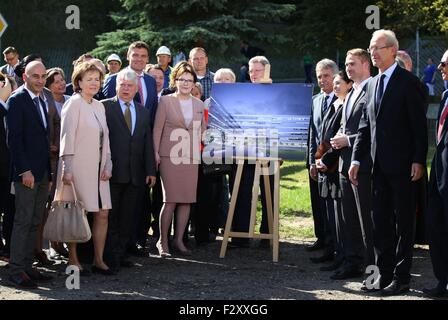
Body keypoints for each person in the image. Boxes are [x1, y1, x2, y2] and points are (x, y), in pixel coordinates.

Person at [349, 29, 428, 295]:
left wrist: (418, 159)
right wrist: (357, 160)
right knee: (379, 222)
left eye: (378, 48)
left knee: (403, 223)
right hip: (376, 168)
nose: (373, 52)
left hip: (404, 167)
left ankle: (402, 277)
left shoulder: (409, 82)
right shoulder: (371, 84)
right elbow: (364, 127)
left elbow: (419, 126)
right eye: (370, 48)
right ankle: (381, 275)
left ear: (393, 50)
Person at [55, 61, 113, 275]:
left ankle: (98, 259)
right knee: (78, 212)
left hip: (99, 169)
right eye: (89, 79)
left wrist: (108, 162)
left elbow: (105, 138)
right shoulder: (74, 103)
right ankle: (73, 259)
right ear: (78, 82)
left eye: (97, 79)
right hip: (78, 166)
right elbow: (66, 137)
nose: (94, 83)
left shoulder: (99, 105)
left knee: (103, 213)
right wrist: (67, 168)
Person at [103, 69, 156, 273]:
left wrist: (151, 170)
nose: (125, 89)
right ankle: (109, 256)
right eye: (122, 85)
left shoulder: (143, 111)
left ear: (136, 89)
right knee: (111, 216)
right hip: (111, 173)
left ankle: (121, 253)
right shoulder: (105, 107)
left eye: (129, 86)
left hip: (136, 173)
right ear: (116, 86)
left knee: (128, 217)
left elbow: (147, 143)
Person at [327, 49, 374, 280]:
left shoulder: (372, 90)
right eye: (346, 64)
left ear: (365, 64)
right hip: (346, 165)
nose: (348, 68)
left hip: (365, 166)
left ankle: (371, 266)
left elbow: (374, 132)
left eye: (352, 64)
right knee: (350, 219)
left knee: (367, 219)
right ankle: (353, 261)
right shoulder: (352, 92)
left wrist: (348, 139)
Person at [7, 61, 53, 288]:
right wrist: (24, 170)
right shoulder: (17, 99)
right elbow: (13, 140)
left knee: (36, 220)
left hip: (43, 172)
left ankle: (27, 265)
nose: (40, 80)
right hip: (27, 173)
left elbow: (44, 137)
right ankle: (15, 270)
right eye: (35, 76)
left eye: (43, 76)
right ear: (25, 76)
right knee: (23, 221)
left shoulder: (43, 97)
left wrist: (49, 173)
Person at [153, 62, 206, 256]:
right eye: (182, 79)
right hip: (169, 155)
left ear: (194, 83)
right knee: (170, 200)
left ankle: (179, 241)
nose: (185, 83)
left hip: (191, 156)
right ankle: (162, 241)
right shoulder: (166, 101)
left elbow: (202, 129)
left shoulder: (199, 104)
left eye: (189, 80)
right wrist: (155, 152)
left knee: (186, 200)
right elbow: (157, 128)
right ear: (175, 80)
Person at [315, 71, 353, 274]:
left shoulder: (346, 105)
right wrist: (318, 159)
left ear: (348, 85)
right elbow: (324, 136)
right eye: (335, 83)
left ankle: (345, 255)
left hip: (338, 165)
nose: (336, 86)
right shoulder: (334, 105)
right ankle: (337, 253)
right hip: (326, 165)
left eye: (339, 83)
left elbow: (339, 138)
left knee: (342, 216)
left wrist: (326, 159)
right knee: (332, 215)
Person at [307, 59, 338, 255]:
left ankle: (332, 242)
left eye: (326, 76)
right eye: (319, 76)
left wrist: (327, 159)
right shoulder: (315, 100)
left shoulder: (343, 99)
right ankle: (321, 237)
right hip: (316, 159)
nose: (322, 80)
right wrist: (311, 160)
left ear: (335, 76)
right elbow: (313, 133)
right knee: (317, 201)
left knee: (331, 205)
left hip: (334, 161)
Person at [423, 49, 448, 298]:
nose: (440, 69)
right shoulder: (444, 96)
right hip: (439, 177)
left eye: (444, 64)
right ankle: (443, 282)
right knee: (437, 229)